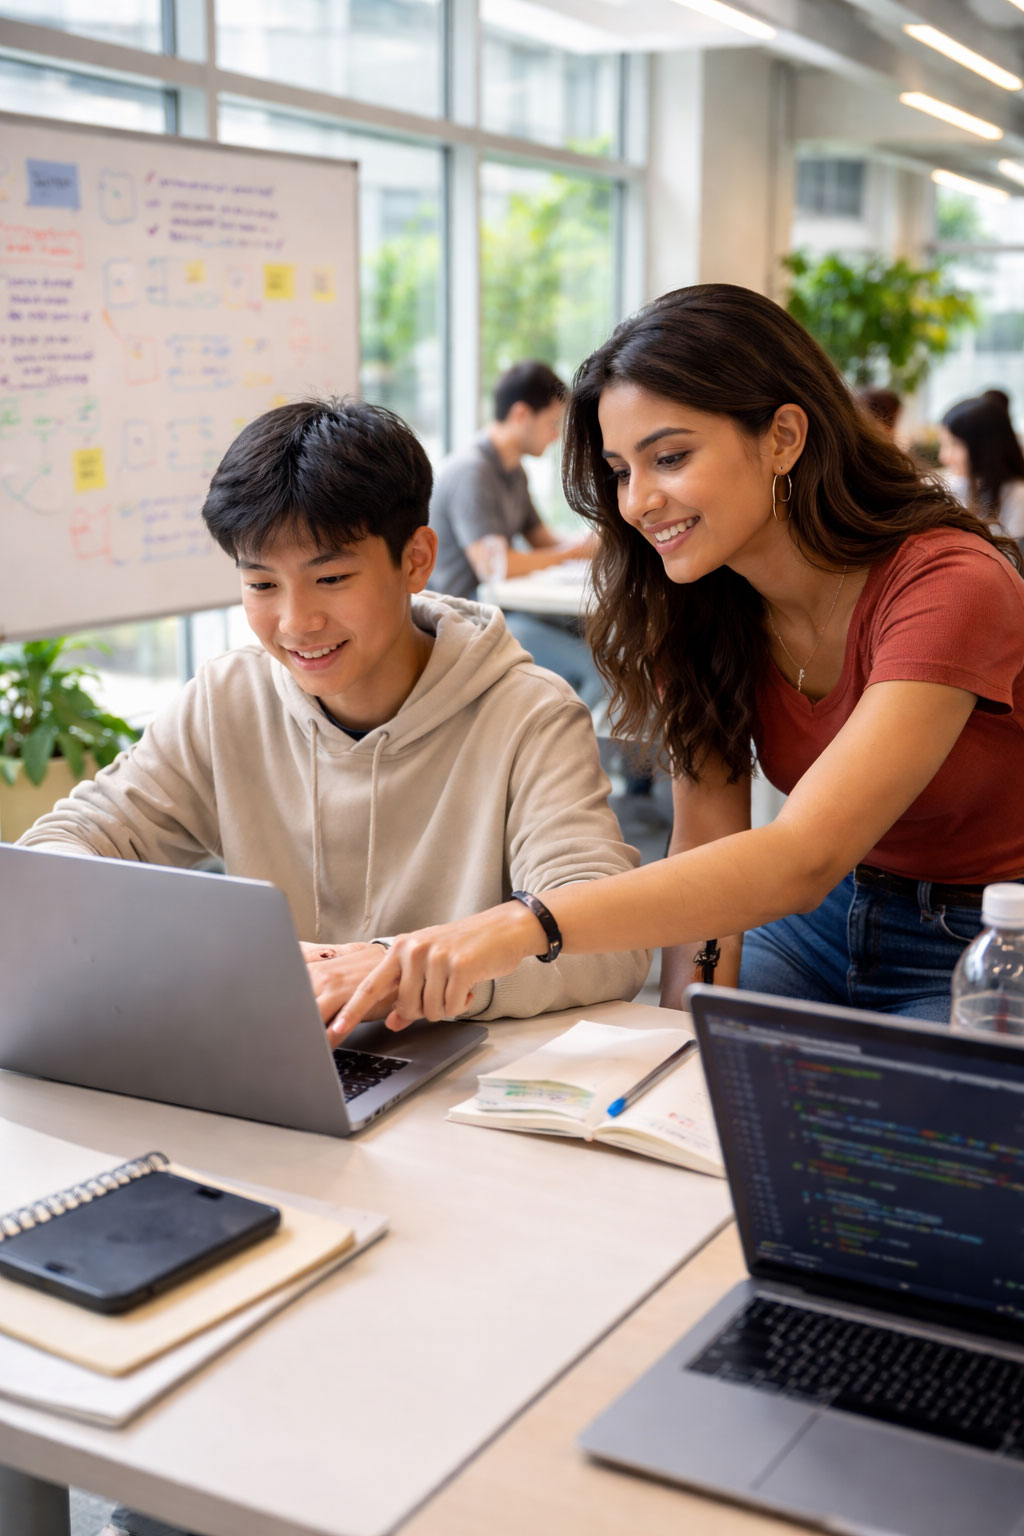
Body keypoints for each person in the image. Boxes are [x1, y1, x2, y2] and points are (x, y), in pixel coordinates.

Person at [327, 284, 1024, 1044]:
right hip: (826, 922)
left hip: (988, 936)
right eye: (622, 470)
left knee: (889, 1144)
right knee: (695, 1095)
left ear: (785, 436)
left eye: (670, 457)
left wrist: (516, 926)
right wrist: (681, 1056)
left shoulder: (951, 583)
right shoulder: (697, 603)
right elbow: (709, 845)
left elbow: (803, 856)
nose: (637, 502)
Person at [19, 398, 649, 1027]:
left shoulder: (529, 716)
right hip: (283, 1055)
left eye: (331, 579)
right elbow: (59, 848)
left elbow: (609, 939)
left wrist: (411, 973)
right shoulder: (227, 701)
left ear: (416, 559)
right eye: (262, 585)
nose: (296, 623)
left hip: (462, 1081)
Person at [429, 359, 602, 707]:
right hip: (470, 618)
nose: (557, 435)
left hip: (504, 608)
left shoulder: (513, 471)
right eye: (553, 423)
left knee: (605, 639)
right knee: (597, 669)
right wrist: (576, 553)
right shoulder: (472, 472)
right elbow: (495, 567)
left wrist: (597, 542)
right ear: (522, 414)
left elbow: (543, 540)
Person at [939, 393, 1024, 546]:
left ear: (984, 448)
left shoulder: (1017, 496)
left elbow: (1013, 562)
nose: (944, 457)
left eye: (955, 445)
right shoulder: (949, 487)